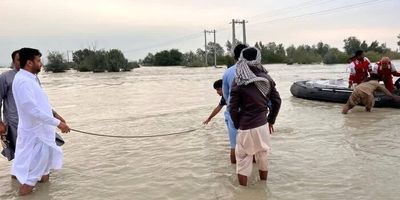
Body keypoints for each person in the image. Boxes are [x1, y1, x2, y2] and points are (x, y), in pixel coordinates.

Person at [11, 48, 70, 196]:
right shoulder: (23, 81)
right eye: (38, 61)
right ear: (29, 63)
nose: (41, 64)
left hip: (44, 134)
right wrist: (58, 124)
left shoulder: (32, 78)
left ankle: (44, 196)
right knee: (31, 179)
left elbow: (42, 103)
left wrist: (57, 116)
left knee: (44, 172)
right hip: (36, 136)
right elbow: (33, 110)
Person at [229, 47, 281, 186]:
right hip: (263, 124)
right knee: (263, 155)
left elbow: (232, 107)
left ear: (241, 59)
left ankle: (243, 193)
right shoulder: (267, 78)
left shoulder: (239, 79)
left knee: (243, 159)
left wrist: (237, 123)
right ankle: (263, 186)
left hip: (245, 125)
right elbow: (277, 101)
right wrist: (271, 120)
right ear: (259, 58)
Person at [222, 44, 248, 164]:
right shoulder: (255, 70)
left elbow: (226, 95)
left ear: (235, 57)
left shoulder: (228, 72)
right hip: (251, 113)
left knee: (234, 146)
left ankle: (234, 174)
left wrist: (231, 106)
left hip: (233, 111)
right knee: (251, 147)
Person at [0, 50, 20, 161]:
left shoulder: (32, 77)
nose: (21, 62)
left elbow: (39, 102)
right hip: (12, 123)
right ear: (13, 61)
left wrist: (54, 115)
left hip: (31, 123)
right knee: (16, 154)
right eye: (18, 60)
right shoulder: (5, 77)